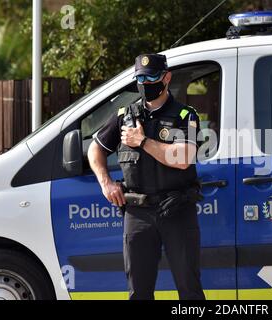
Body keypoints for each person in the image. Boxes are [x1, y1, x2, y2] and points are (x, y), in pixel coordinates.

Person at [87, 53, 205, 300]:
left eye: (151, 77)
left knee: (189, 290)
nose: (145, 83)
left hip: (177, 211)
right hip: (137, 214)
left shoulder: (187, 116)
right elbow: (95, 149)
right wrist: (106, 183)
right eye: (140, 78)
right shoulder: (124, 116)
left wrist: (142, 141)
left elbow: (183, 159)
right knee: (138, 292)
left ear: (166, 78)